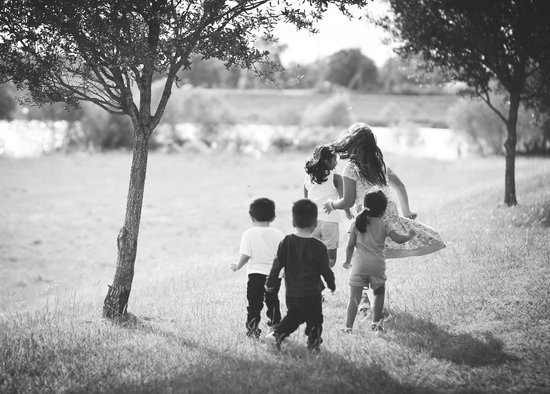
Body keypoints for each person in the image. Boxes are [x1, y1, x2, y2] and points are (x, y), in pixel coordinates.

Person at [323, 122, 445, 317]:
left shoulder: (351, 169)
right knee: (375, 256)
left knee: (359, 258)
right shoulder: (380, 164)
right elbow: (401, 186)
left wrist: (331, 204)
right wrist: (405, 213)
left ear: (352, 144)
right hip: (388, 216)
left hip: (368, 218)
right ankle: (372, 299)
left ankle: (363, 301)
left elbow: (347, 201)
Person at [265, 199, 336, 352]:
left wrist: (270, 282)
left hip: (293, 293)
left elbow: (277, 264)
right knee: (315, 319)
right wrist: (331, 284)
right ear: (315, 223)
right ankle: (313, 344)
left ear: (293, 222)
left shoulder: (286, 242)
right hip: (312, 293)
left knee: (294, 316)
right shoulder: (319, 246)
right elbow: (325, 269)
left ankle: (277, 334)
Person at [341, 190, 415, 333]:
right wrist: (409, 235)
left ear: (364, 206)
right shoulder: (385, 224)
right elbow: (399, 239)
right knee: (378, 294)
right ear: (383, 210)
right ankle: (376, 324)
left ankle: (348, 327)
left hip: (358, 266)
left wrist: (347, 261)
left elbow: (350, 245)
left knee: (354, 298)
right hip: (377, 265)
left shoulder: (357, 222)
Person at [231, 197, 284, 339]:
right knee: (273, 302)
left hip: (255, 275)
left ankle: (253, 331)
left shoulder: (249, 234)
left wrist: (237, 266)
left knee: (254, 305)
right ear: (273, 216)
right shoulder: (278, 234)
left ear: (252, 217)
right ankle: (275, 329)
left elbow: (246, 255)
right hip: (274, 276)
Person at [304, 144, 353, 268]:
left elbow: (306, 199)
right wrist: (348, 213)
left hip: (312, 221)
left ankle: (311, 272)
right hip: (330, 222)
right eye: (334, 160)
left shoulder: (309, 176)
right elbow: (344, 199)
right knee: (331, 259)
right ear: (326, 161)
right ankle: (321, 269)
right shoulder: (336, 178)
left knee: (310, 255)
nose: (336, 163)